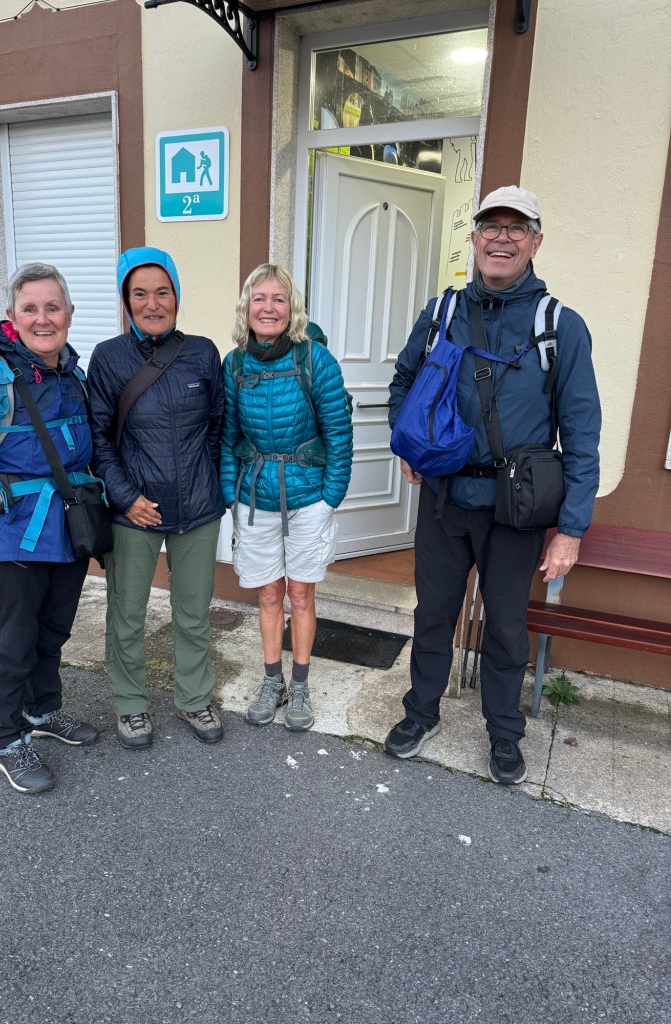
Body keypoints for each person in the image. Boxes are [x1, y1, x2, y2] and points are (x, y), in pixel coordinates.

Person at [385, 186, 601, 784]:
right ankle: (420, 713)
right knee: (433, 615)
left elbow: (582, 433)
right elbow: (403, 383)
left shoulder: (560, 326)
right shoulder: (442, 312)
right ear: (474, 238)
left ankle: (505, 733)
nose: (502, 237)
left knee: (505, 627)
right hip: (444, 499)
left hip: (516, 510)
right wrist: (409, 444)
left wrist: (571, 530)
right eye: (491, 226)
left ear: (535, 242)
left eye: (516, 227)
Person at [0, 263, 99, 795]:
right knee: (14, 645)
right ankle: (8, 738)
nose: (43, 319)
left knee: (53, 633)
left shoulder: (73, 376)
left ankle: (42, 710)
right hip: (12, 540)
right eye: (30, 309)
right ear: (12, 316)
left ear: (70, 314)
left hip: (67, 535)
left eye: (53, 307)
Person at [87, 247, 225, 749]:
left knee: (193, 613)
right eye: (140, 293)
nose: (152, 303)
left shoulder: (203, 352)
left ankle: (194, 698)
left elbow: (217, 427)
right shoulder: (108, 358)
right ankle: (130, 705)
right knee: (127, 614)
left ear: (177, 297)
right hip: (135, 513)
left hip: (198, 510)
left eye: (162, 292)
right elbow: (98, 439)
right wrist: (126, 499)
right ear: (126, 301)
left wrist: (208, 486)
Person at [220, 264, 353, 731]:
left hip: (309, 495)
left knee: (300, 593)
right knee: (268, 592)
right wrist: (230, 493)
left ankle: (299, 684)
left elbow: (339, 434)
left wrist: (331, 497)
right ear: (247, 307)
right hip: (255, 496)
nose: (268, 308)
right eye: (259, 298)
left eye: (278, 299)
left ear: (291, 306)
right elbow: (228, 435)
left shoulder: (316, 359)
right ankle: (271, 679)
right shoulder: (235, 364)